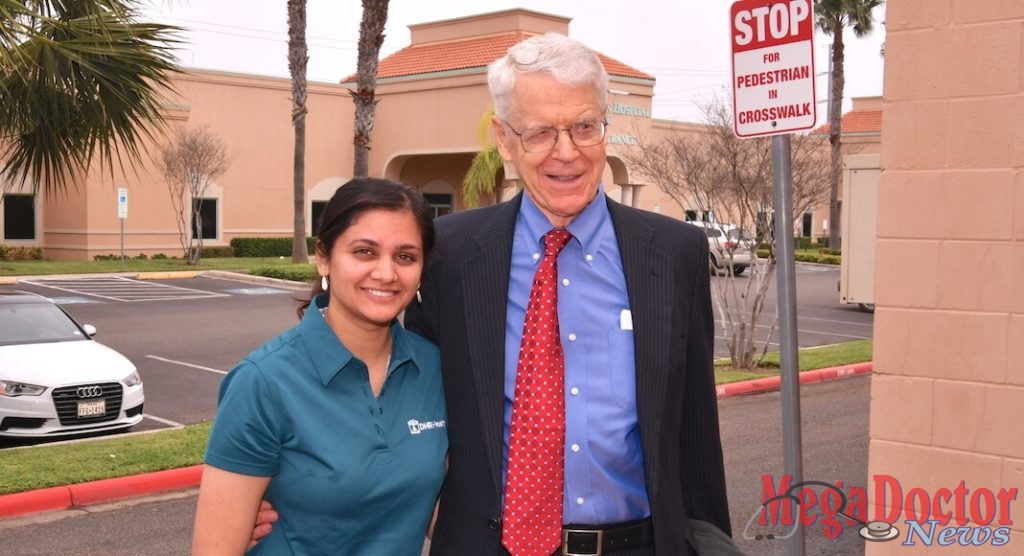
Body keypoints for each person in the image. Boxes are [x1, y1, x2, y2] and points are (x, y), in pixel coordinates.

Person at [256, 33, 735, 555]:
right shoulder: (451, 252)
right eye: (540, 133)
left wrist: (710, 542)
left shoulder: (673, 252)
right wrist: (290, 483)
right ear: (505, 140)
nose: (567, 152)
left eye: (584, 126)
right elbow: (385, 380)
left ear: (605, 128)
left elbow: (695, 435)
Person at [192, 177, 446, 555]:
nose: (386, 273)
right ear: (324, 256)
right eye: (364, 252)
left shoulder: (434, 367)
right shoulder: (263, 383)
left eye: (405, 256)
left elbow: (440, 515)